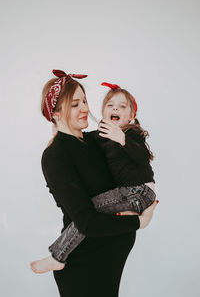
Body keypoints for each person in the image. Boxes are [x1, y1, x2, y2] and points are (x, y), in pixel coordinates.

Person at [31, 70, 158, 297]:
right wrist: (140, 222)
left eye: (86, 101)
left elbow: (133, 160)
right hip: (86, 268)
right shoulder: (55, 156)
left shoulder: (95, 141)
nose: (85, 109)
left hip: (109, 264)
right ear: (56, 112)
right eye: (75, 104)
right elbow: (87, 222)